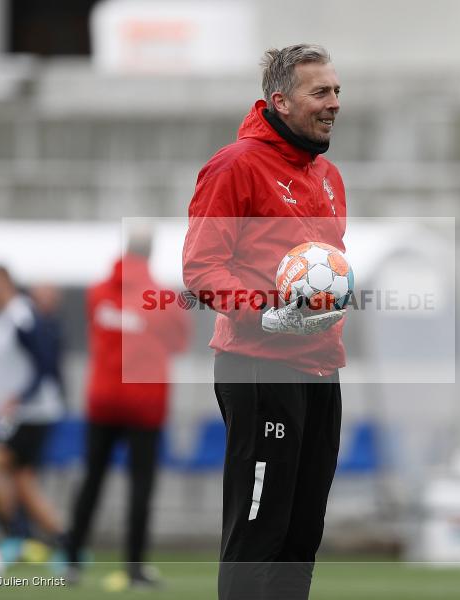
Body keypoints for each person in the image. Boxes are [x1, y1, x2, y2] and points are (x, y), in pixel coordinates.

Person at [182, 44, 347, 600]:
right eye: (320, 92)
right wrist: (268, 312)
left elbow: (323, 271)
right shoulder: (235, 166)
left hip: (321, 372)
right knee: (260, 531)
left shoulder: (328, 176)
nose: (333, 104)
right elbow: (201, 267)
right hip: (260, 369)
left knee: (302, 537)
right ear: (280, 100)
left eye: (336, 92)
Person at [65, 229, 190, 589]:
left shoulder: (97, 292)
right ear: (150, 254)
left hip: (103, 398)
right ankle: (135, 568)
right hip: (144, 402)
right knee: (141, 485)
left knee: (92, 478)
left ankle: (72, 559)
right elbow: (179, 342)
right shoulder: (163, 297)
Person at [0, 265, 66, 546]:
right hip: (10, 412)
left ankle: (17, 533)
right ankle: (65, 540)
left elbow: (45, 363)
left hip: (32, 412)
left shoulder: (22, 315)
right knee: (24, 483)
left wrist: (21, 396)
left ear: (3, 282)